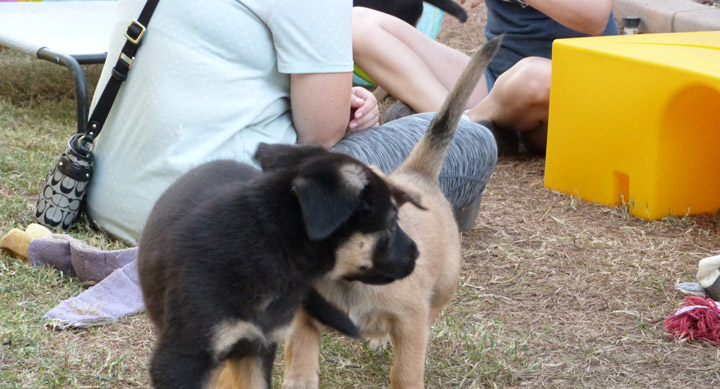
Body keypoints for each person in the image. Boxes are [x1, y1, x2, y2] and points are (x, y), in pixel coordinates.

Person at [85, 0, 497, 244]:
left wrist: (341, 101)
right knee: (473, 138)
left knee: (406, 118)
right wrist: (338, 107)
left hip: (114, 197)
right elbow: (322, 131)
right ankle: (418, 229)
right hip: (225, 219)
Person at [352, 0, 618, 153]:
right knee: (358, 25)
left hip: (567, 91)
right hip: (494, 78)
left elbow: (594, 17)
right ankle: (467, 127)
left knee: (535, 78)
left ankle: (462, 123)